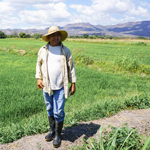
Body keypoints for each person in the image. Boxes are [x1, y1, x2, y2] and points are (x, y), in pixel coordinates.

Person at [35, 26, 77, 148]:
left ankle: (58, 135)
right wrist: (38, 79)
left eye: (57, 35)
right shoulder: (43, 50)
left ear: (60, 36)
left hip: (60, 87)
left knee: (58, 111)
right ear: (48, 37)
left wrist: (73, 83)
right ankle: (52, 132)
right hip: (46, 86)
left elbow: (71, 68)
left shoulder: (65, 51)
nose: (55, 37)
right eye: (53, 35)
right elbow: (38, 64)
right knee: (49, 109)